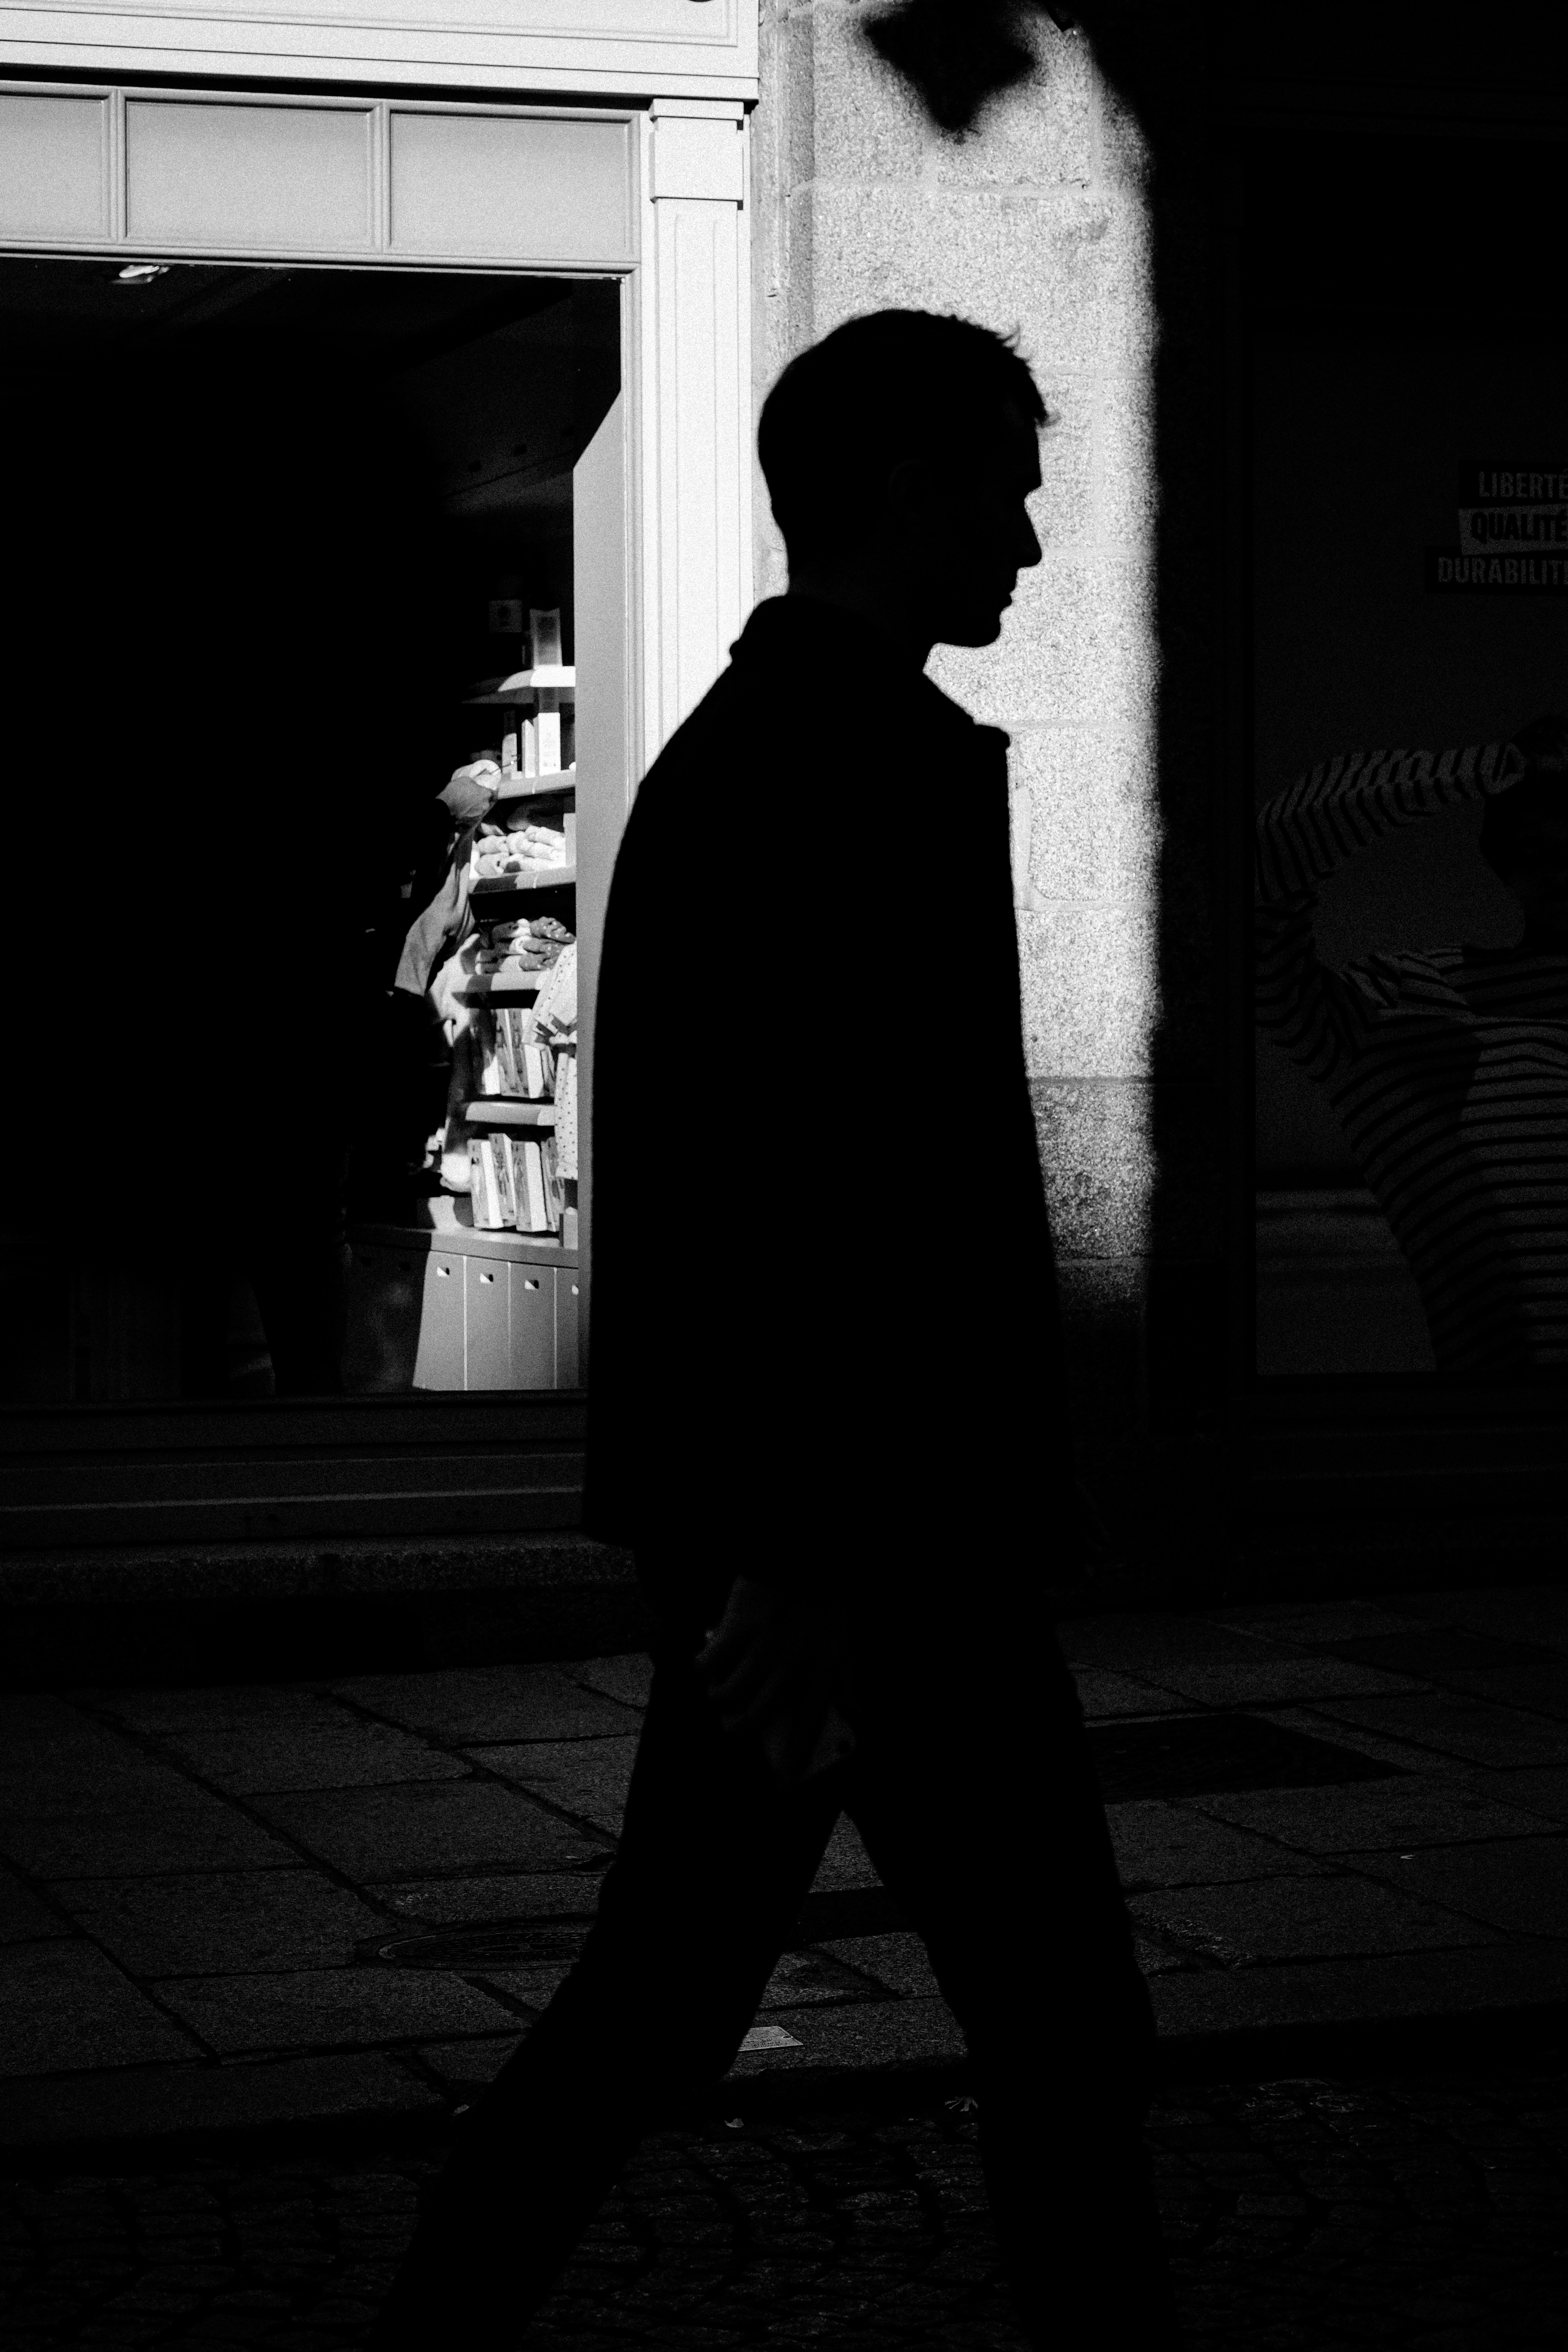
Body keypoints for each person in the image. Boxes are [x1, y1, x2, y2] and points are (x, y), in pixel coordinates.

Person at [368, 309, 1178, 2348]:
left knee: (694, 2003)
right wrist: (800, 1551)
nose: (1031, 537)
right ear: (900, 492)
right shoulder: (827, 770)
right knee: (1038, 2015)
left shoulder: (809, 752)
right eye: (1002, 482)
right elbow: (799, 1192)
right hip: (862, 1557)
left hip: (842, 1543)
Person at [1256, 715, 1568, 1377]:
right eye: (1540, 851)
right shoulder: (1410, 998)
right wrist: (1493, 767)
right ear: (1505, 864)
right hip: (1499, 1428)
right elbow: (1259, 885)